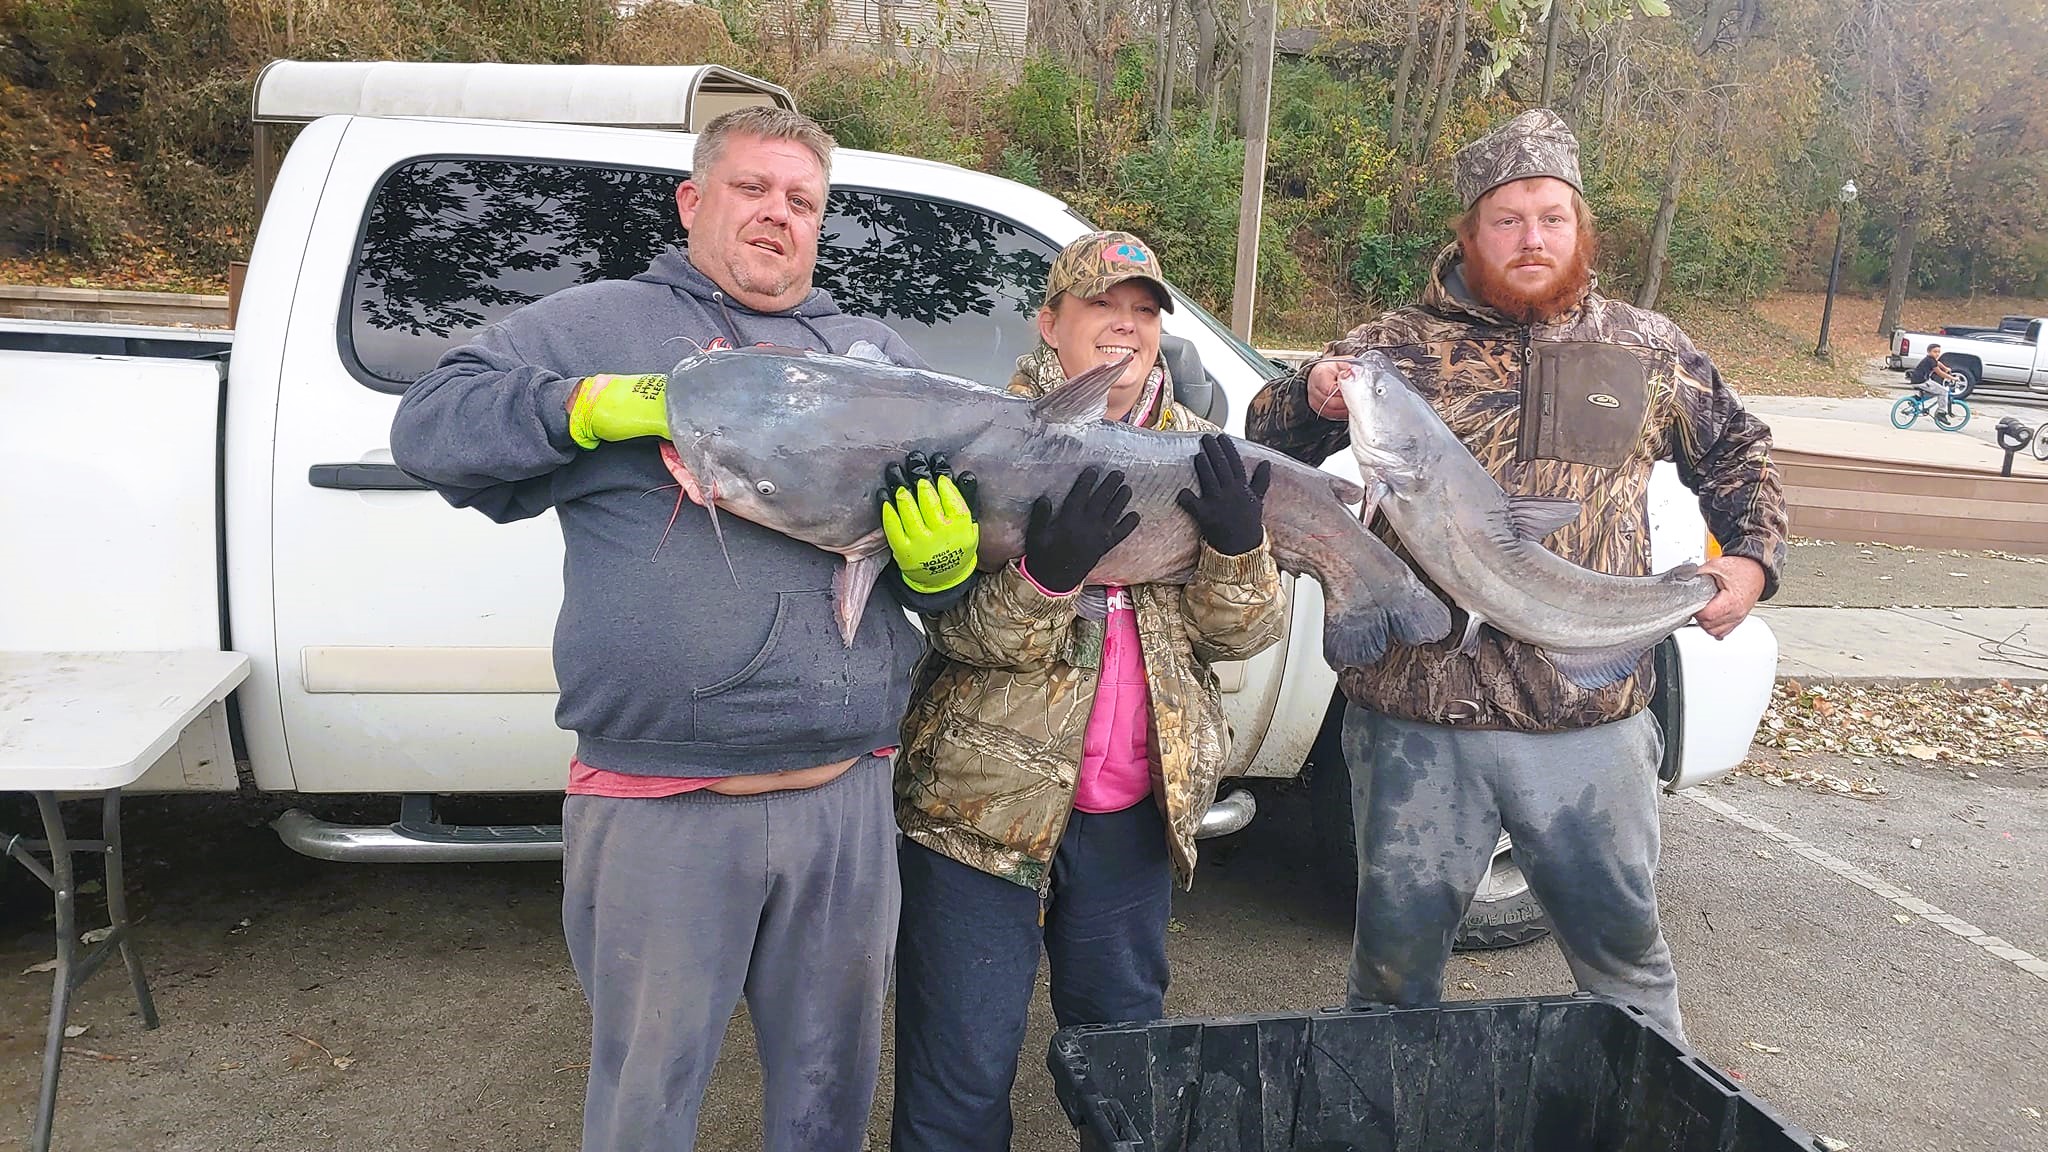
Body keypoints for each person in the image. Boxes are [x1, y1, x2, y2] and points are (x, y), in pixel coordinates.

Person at [388, 106, 980, 1152]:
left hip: (841, 801)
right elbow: (430, 428)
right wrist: (587, 406)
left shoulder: (869, 355)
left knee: (828, 1100)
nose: (776, 215)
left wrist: (942, 573)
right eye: (753, 189)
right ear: (694, 201)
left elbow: (926, 568)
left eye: (801, 201)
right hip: (661, 805)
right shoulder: (605, 322)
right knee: (645, 1101)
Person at [1244, 109, 1787, 1038]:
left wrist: (1749, 561)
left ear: (1581, 229)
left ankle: (1639, 1119)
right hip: (1417, 723)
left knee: (1625, 970)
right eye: (1507, 218)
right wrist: (1310, 390)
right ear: (1469, 233)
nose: (1531, 238)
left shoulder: (1649, 348)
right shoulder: (1393, 347)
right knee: (1392, 977)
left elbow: (1740, 455)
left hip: (1591, 722)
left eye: (1552, 217)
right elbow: (1267, 435)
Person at [888, 232, 1290, 1152]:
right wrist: (1047, 576)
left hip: (1133, 819)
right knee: (959, 1076)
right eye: (1104, 306)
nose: (1127, 326)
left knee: (1122, 1068)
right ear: (1050, 321)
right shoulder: (986, 438)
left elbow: (1245, 633)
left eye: (1145, 311)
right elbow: (950, 632)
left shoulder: (1203, 454)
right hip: (980, 816)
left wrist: (1236, 546)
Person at [1907, 342, 1962, 417]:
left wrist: (1945, 368)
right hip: (1922, 381)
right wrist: (1953, 378)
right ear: (1929, 352)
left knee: (1936, 390)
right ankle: (1941, 412)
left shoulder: (1930, 359)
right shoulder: (1931, 361)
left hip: (1918, 380)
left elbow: (1938, 363)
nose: (1937, 354)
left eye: (1939, 352)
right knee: (1944, 391)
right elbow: (1939, 373)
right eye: (1935, 352)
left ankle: (1916, 399)